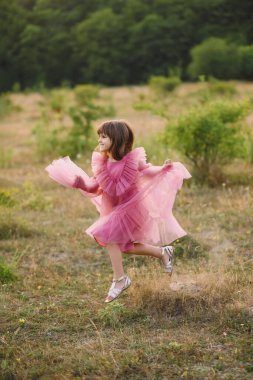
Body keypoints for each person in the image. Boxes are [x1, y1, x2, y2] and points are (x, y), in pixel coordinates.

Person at [45, 120, 191, 303]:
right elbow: (92, 186)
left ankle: (120, 280)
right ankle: (163, 253)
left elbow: (147, 170)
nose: (100, 139)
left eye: (104, 136)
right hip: (112, 209)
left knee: (109, 236)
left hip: (131, 207)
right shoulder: (102, 163)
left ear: (117, 138)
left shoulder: (131, 160)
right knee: (124, 246)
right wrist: (78, 182)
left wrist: (163, 168)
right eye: (99, 135)